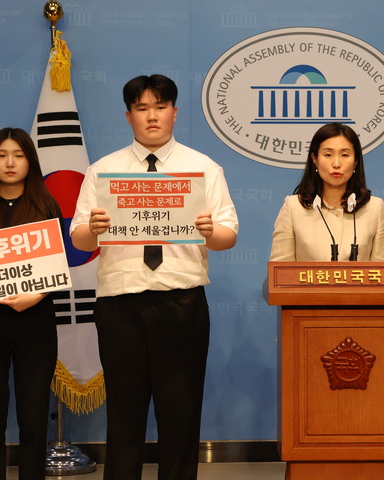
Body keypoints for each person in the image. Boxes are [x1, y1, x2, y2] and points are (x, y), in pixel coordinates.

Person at [70, 74, 238, 480]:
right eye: (142, 108)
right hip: (119, 305)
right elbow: (77, 239)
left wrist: (209, 231)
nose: (152, 116)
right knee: (124, 415)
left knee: (181, 414)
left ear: (174, 112)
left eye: (160, 107)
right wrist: (92, 228)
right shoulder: (103, 170)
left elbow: (228, 236)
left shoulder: (203, 168)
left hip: (181, 303)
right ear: (128, 116)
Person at [0, 127, 61, 480]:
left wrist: (35, 295)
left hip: (36, 323)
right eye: (2, 155)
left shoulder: (46, 206)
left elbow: (56, 268)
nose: (10, 162)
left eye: (18, 155)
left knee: (34, 418)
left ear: (30, 161)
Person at [270, 122, 384, 262]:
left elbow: (383, 270)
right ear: (315, 159)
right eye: (328, 154)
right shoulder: (293, 207)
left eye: (345, 155)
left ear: (356, 161)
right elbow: (280, 271)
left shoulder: (375, 208)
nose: (336, 164)